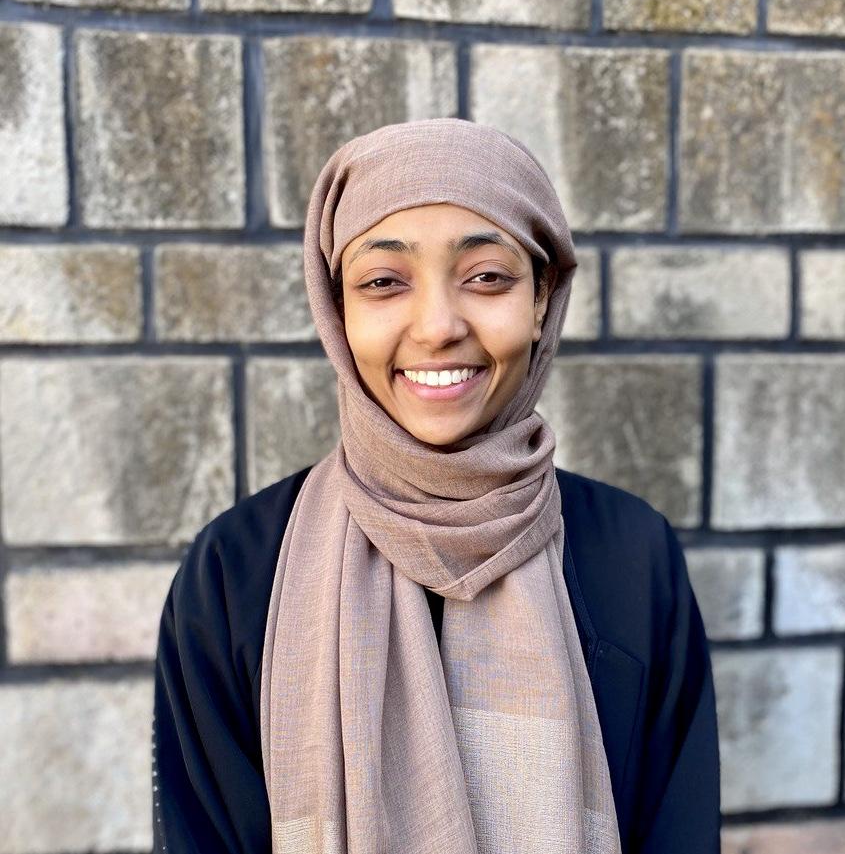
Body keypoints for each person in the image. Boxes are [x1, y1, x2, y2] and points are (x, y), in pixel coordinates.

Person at [152, 118, 720, 854]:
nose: (436, 326)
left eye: (485, 276)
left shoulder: (631, 555)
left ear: (542, 293)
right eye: (383, 282)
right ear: (338, 310)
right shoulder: (234, 571)